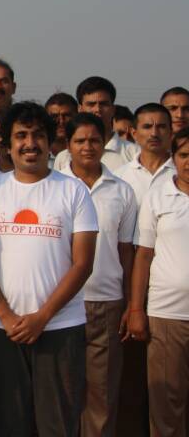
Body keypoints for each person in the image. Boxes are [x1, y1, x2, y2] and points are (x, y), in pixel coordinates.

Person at [0, 102, 98, 437]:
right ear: (7, 144)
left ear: (50, 141)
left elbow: (83, 263)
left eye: (38, 135)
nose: (30, 143)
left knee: (57, 424)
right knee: (4, 425)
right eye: (21, 135)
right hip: (1, 329)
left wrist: (43, 317)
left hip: (60, 328)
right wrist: (5, 315)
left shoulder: (74, 190)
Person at [58, 113, 137, 437]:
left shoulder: (122, 190)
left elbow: (126, 252)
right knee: (62, 392)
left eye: (94, 140)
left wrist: (131, 303)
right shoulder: (53, 186)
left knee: (101, 394)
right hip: (60, 303)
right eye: (80, 141)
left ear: (105, 142)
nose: (87, 147)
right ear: (68, 144)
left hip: (106, 301)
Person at [114, 103, 174, 435]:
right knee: (131, 379)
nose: (154, 133)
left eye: (161, 126)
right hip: (129, 286)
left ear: (172, 131)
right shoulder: (121, 178)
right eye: (147, 127)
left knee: (171, 383)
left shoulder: (181, 173)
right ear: (133, 133)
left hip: (170, 291)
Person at [126, 127, 189, 436]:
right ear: (173, 158)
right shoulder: (158, 195)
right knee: (167, 401)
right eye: (184, 155)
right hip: (166, 314)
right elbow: (143, 255)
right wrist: (136, 309)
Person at [54, 77, 139, 172]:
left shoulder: (134, 154)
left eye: (103, 104)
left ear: (113, 109)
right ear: (80, 109)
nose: (97, 109)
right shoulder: (63, 158)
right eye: (91, 104)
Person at [45, 93, 78, 157]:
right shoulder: (37, 155)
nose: (61, 121)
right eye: (54, 116)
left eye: (67, 116)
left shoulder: (87, 155)